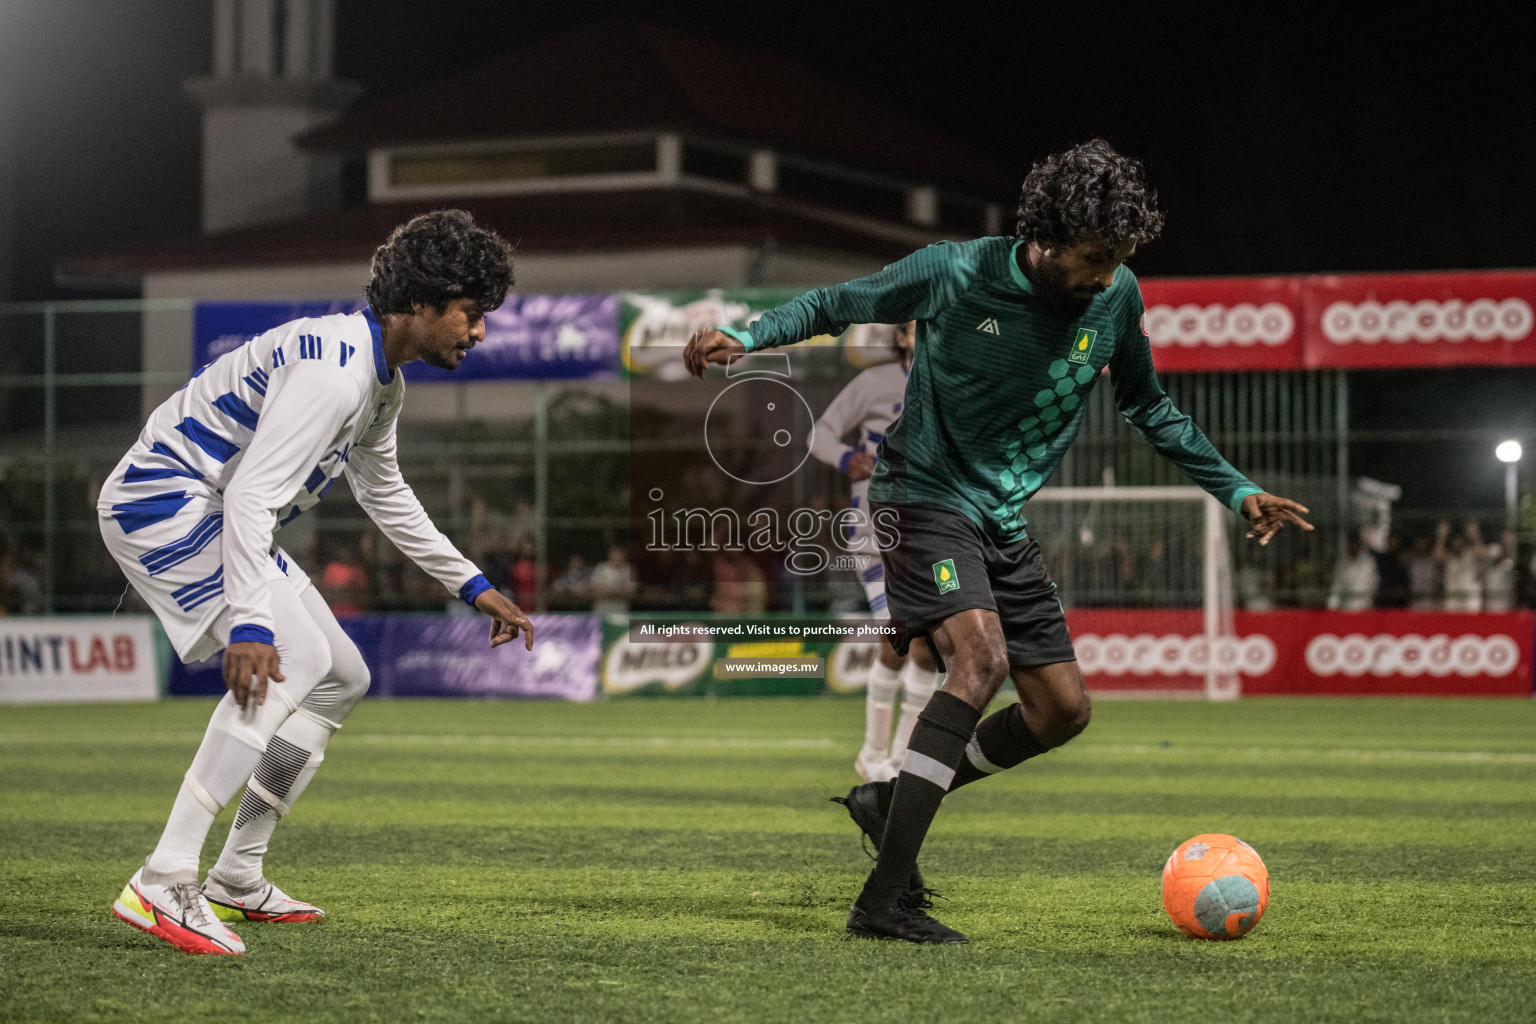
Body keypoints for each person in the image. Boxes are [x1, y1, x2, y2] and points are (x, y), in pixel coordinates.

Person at [684, 139, 1311, 945]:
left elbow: (1150, 406)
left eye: (1118, 259)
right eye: (1092, 259)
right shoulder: (958, 271)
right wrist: (749, 332)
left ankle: (888, 801)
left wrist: (1238, 488)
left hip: (1000, 518)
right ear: (1046, 239)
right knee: (979, 660)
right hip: (921, 494)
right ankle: (882, 903)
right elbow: (843, 301)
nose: (1103, 276)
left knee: (1062, 711)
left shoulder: (1115, 297)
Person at [96, 210, 533, 956]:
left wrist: (471, 583)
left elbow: (383, 489)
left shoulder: (376, 377)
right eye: (471, 313)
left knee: (341, 676)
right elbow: (250, 498)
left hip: (212, 508)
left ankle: (236, 875)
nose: (479, 331)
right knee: (291, 658)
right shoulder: (336, 372)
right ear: (421, 302)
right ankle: (165, 876)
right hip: (163, 507)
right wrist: (252, 626)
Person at [809, 321, 943, 782]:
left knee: (928, 650)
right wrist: (846, 458)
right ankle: (872, 753)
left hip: (933, 533)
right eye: (915, 328)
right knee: (904, 633)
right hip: (875, 534)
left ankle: (900, 760)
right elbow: (819, 433)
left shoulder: (951, 380)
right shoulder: (874, 382)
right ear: (902, 338)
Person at [1436, 520, 1487, 611]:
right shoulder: (1448, 556)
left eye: (1459, 541)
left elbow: (1482, 554)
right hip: (1452, 598)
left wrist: (1475, 535)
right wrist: (1441, 537)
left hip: (1471, 598)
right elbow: (1438, 557)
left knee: (1473, 624)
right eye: (1455, 542)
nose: (1457, 544)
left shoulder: (1471, 554)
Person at [589, 543, 637, 616]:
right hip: (602, 606)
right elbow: (594, 589)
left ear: (624, 555)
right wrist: (617, 590)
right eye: (614, 553)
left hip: (621, 607)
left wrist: (609, 590)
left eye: (620, 554)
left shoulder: (629, 569)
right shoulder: (600, 568)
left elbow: (631, 592)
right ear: (609, 554)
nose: (617, 557)